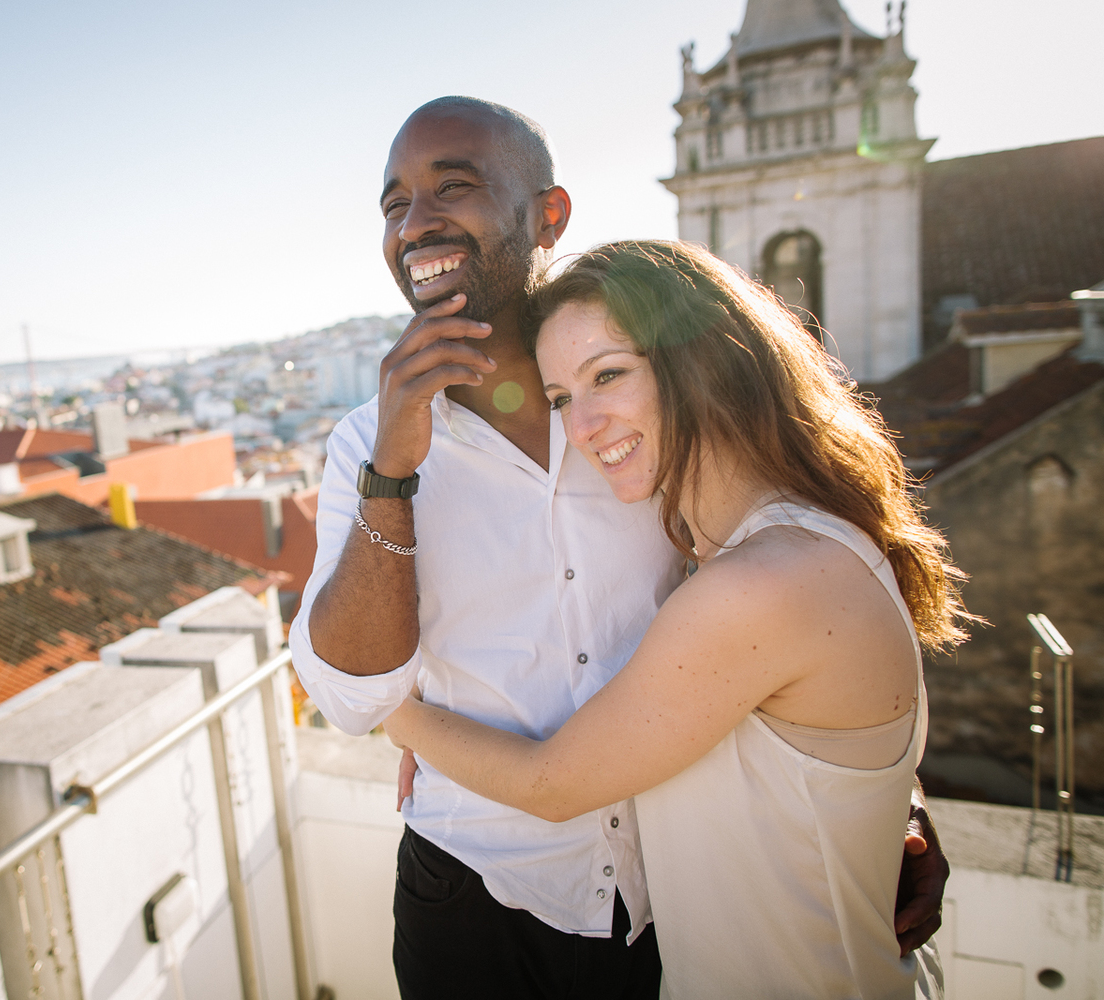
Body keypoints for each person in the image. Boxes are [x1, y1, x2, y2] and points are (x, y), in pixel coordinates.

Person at [289, 96, 947, 999]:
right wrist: (392, 473)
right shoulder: (366, 445)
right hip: (474, 897)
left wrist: (883, 804)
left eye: (455, 186)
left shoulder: (655, 421)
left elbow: (810, 619)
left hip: (660, 902)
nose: (416, 222)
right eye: (394, 203)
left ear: (548, 215)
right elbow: (347, 686)